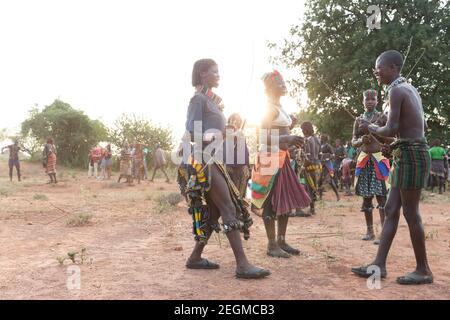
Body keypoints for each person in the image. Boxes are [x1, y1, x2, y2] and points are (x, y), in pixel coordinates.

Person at [179, 58, 269, 279]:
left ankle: (195, 257)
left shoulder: (212, 102)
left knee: (215, 211)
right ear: (202, 74)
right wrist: (218, 134)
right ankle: (242, 265)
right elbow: (190, 132)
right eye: (214, 72)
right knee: (228, 208)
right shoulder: (198, 100)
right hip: (204, 161)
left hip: (215, 160)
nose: (218, 75)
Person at [352, 50, 433, 285]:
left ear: (394, 68)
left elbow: (391, 128)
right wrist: (391, 140)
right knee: (390, 208)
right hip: (407, 152)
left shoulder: (397, 90)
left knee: (410, 213)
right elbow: (415, 126)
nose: (377, 71)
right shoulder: (408, 88)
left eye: (380, 67)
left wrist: (370, 127)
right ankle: (378, 264)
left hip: (411, 154)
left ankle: (423, 269)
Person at [251, 70, 310, 258]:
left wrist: (290, 127)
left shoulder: (278, 106)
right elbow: (262, 137)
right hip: (270, 158)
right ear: (269, 88)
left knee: (285, 199)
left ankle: (282, 240)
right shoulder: (268, 108)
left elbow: (277, 131)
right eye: (279, 82)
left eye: (283, 82)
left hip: (282, 157)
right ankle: (271, 245)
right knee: (270, 201)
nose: (283, 85)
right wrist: (288, 136)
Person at [352, 89, 392, 244]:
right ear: (362, 101)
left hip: (379, 159)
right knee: (366, 198)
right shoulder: (359, 120)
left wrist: (375, 133)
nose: (369, 101)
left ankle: (384, 233)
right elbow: (353, 141)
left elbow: (390, 137)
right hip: (364, 161)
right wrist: (362, 140)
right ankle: (369, 231)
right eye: (366, 99)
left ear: (377, 101)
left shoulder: (382, 117)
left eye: (372, 99)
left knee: (382, 197)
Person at [298, 121, 321, 216]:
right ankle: (312, 208)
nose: (302, 132)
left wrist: (303, 166)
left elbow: (308, 156)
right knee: (313, 186)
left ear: (306, 129)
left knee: (309, 187)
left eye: (302, 129)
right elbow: (319, 154)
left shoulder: (307, 140)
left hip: (309, 165)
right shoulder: (317, 139)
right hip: (317, 165)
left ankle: (312, 209)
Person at [225, 113, 251, 199]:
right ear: (229, 121)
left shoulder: (241, 134)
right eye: (233, 120)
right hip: (228, 166)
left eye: (238, 121)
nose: (235, 123)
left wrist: (247, 167)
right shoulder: (226, 131)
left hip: (241, 167)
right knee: (229, 193)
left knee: (239, 195)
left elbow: (245, 152)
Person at [319, 134, 340, 201]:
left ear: (324, 139)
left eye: (321, 138)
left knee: (330, 181)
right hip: (322, 165)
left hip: (328, 165)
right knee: (319, 181)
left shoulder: (328, 146)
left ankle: (337, 196)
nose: (320, 139)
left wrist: (328, 157)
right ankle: (320, 197)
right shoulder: (320, 146)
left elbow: (333, 155)